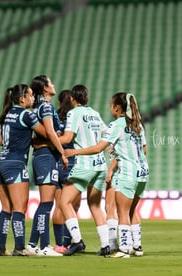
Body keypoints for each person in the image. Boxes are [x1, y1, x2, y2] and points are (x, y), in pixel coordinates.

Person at [65, 92, 149, 258]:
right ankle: (137, 247)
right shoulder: (138, 125)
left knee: (123, 212)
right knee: (132, 210)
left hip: (127, 173)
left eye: (111, 105)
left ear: (117, 108)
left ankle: (124, 249)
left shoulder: (116, 125)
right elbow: (144, 149)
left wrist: (74, 151)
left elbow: (98, 148)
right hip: (143, 172)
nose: (110, 108)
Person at [0, 84, 46, 256]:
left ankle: (0, 248)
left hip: (0, 162)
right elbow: (45, 132)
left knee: (6, 208)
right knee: (19, 208)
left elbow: (1, 141)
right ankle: (19, 247)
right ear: (22, 98)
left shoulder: (6, 115)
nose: (33, 99)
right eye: (30, 96)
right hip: (15, 164)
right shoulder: (26, 115)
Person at [58, 84, 110, 257]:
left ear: (72, 99)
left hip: (84, 165)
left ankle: (77, 240)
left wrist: (51, 137)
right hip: (101, 165)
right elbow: (106, 133)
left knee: (65, 202)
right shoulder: (95, 114)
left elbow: (67, 137)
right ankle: (105, 246)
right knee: (95, 205)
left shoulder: (74, 113)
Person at [26, 75, 67, 257]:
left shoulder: (35, 108)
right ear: (44, 88)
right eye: (50, 82)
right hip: (46, 157)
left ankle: (33, 244)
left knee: (46, 203)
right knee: (47, 203)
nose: (53, 84)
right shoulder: (47, 106)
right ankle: (44, 246)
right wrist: (62, 152)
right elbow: (50, 131)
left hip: (42, 156)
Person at [51, 90, 81, 254]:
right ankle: (69, 242)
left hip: (57, 163)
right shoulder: (76, 117)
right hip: (74, 163)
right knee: (73, 206)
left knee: (60, 205)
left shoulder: (54, 118)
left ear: (59, 103)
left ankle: (59, 244)